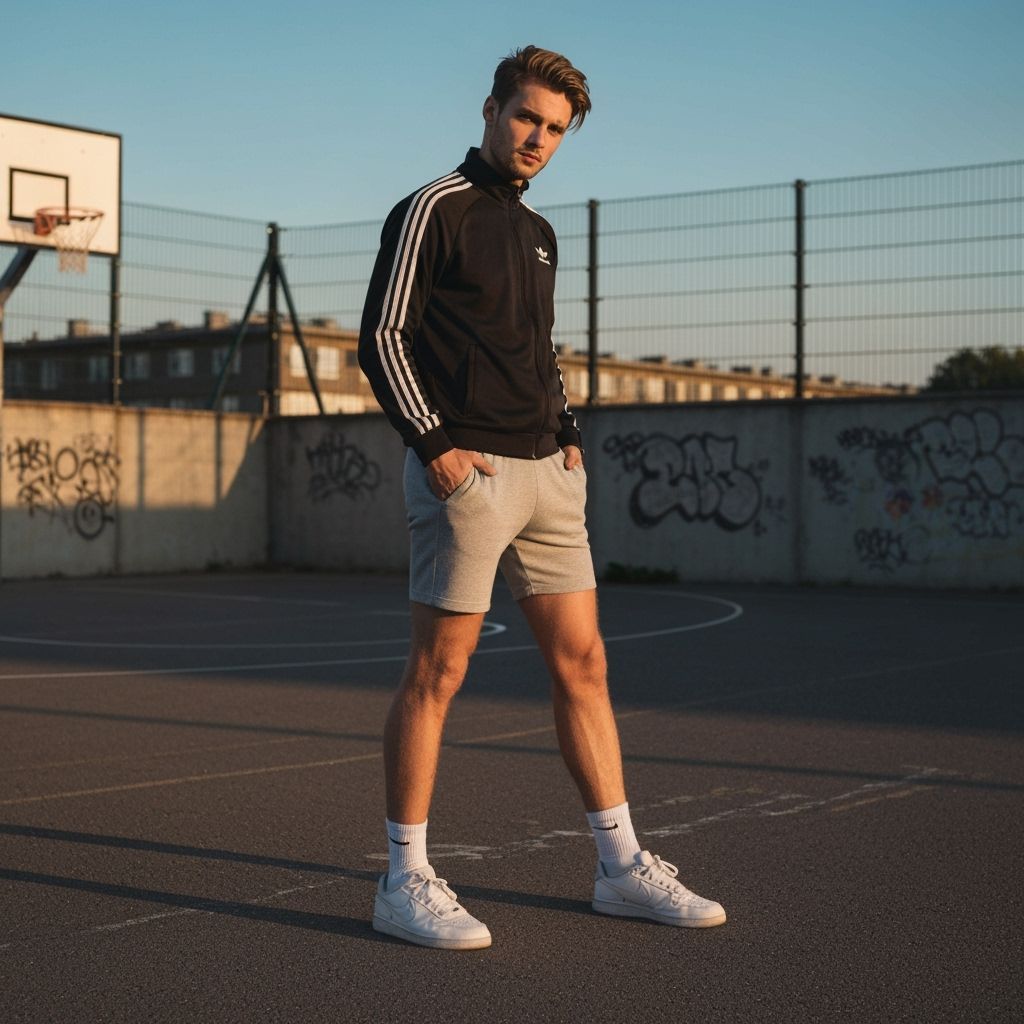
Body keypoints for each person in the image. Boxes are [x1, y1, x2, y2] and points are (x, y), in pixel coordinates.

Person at [357, 44, 726, 950]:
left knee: (585, 666)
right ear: (491, 109)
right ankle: (403, 881)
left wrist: (567, 436)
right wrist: (437, 448)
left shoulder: (540, 232)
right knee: (439, 673)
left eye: (556, 129)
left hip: (548, 480)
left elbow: (538, 349)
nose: (538, 138)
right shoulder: (432, 209)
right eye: (527, 117)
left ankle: (621, 869)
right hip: (468, 475)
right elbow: (383, 336)